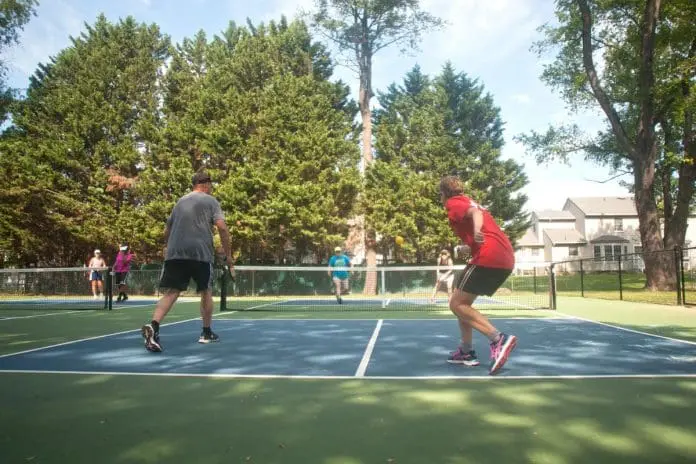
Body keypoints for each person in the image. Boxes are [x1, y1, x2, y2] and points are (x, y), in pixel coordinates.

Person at [141, 171, 233, 352]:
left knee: (172, 292)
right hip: (200, 254)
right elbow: (222, 227)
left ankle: (154, 326)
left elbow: (167, 230)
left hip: (175, 253)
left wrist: (168, 247)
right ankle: (206, 333)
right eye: (211, 184)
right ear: (205, 184)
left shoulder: (180, 202)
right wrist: (228, 254)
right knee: (206, 291)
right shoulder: (211, 201)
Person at [439, 175, 517, 375]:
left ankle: (498, 338)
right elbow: (476, 213)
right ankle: (466, 351)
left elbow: (475, 215)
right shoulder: (467, 200)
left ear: (443, 193)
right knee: (462, 303)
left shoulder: (454, 203)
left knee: (456, 304)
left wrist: (475, 230)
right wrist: (469, 244)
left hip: (488, 256)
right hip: (503, 256)